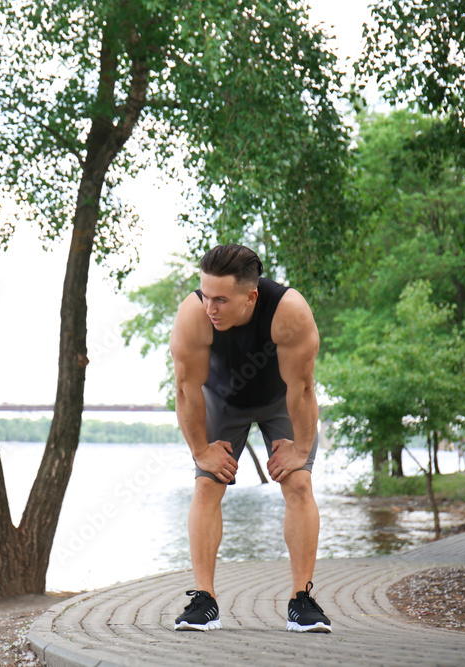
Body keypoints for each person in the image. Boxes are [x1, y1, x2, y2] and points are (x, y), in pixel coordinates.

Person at [169, 244, 331, 633]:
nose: (210, 307)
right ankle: (204, 602)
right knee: (208, 485)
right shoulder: (194, 316)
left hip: (281, 400)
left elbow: (303, 389)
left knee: (299, 482)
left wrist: (302, 450)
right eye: (206, 295)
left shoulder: (288, 311)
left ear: (251, 296)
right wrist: (201, 451)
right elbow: (187, 391)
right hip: (221, 400)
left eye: (221, 300)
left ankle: (301, 601)